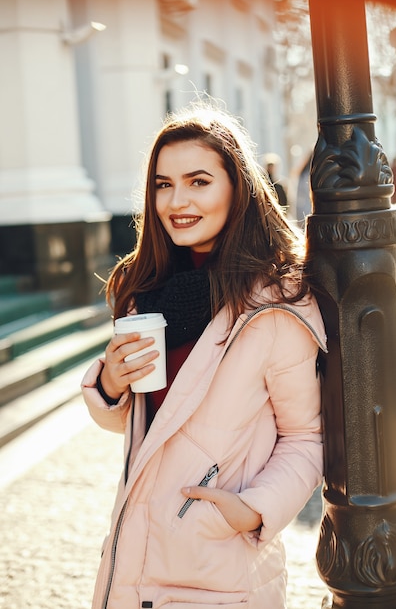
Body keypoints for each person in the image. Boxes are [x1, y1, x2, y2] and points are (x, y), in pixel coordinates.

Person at [81, 102, 327, 609]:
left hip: (221, 574)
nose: (177, 200)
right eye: (163, 184)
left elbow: (306, 435)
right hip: (131, 561)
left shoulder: (275, 301)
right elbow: (146, 427)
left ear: (237, 188)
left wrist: (253, 510)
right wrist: (110, 385)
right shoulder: (145, 291)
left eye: (198, 181)